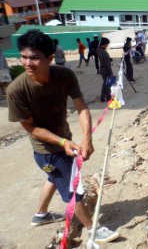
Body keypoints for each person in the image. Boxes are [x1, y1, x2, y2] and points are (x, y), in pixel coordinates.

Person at [6, 30, 120, 243]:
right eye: (23, 57)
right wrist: (63, 142)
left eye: (34, 58)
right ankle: (93, 229)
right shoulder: (16, 90)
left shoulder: (65, 76)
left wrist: (87, 137)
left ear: (50, 58)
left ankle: (41, 215)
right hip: (47, 150)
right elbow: (31, 128)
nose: (27, 63)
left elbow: (82, 107)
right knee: (72, 189)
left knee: (53, 178)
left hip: (63, 141)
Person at [97, 37, 113, 102]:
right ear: (104, 44)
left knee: (105, 84)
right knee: (107, 85)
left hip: (102, 69)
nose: (107, 45)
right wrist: (111, 73)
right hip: (106, 70)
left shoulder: (98, 50)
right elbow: (108, 65)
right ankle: (109, 98)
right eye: (107, 44)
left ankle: (102, 97)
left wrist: (109, 59)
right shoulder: (104, 52)